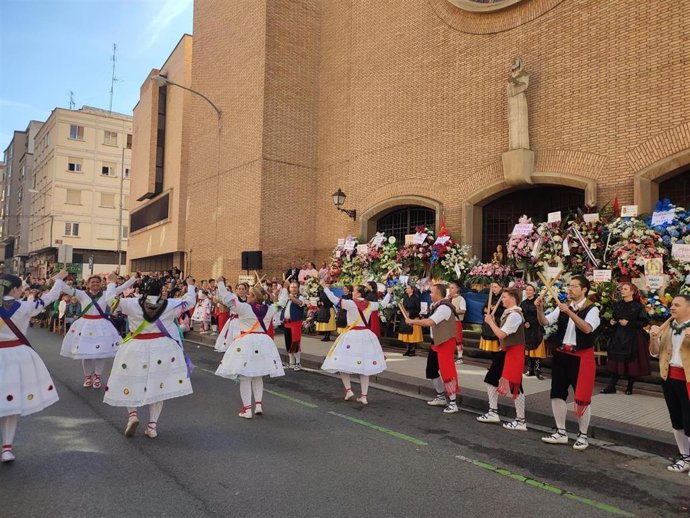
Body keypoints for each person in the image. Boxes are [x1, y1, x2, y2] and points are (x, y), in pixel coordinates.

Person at [104, 275, 196, 439]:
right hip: (161, 348)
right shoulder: (171, 304)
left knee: (129, 380)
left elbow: (110, 300)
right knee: (157, 385)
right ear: (161, 290)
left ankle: (132, 415)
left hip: (136, 346)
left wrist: (112, 283)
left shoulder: (131, 303)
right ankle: (152, 426)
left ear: (143, 290)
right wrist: (190, 286)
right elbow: (190, 302)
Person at [0, 270, 69, 462]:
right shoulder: (24, 306)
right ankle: (6, 448)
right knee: (10, 403)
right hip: (15, 357)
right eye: (20, 288)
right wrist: (59, 280)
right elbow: (50, 298)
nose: (21, 291)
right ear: (14, 289)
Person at [536, 275, 600, 451]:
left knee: (582, 398)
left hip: (580, 357)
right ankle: (561, 432)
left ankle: (583, 435)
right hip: (561, 354)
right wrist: (539, 309)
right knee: (557, 393)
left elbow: (587, 328)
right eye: (568, 286)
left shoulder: (592, 309)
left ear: (584, 289)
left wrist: (569, 312)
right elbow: (545, 321)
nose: (569, 289)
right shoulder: (564, 306)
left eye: (573, 286)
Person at [215, 281, 284, 419]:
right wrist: (284, 289)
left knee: (245, 377)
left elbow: (226, 297)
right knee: (258, 374)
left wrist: (220, 283)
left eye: (249, 294)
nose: (246, 295)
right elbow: (282, 302)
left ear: (253, 297)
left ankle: (247, 409)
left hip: (246, 342)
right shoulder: (270, 309)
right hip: (263, 342)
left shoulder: (244, 308)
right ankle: (258, 404)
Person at [60, 273, 137, 390]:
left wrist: (133, 278)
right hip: (85, 325)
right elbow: (66, 288)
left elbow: (122, 288)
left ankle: (97, 376)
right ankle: (87, 377)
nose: (95, 284)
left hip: (102, 325)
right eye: (92, 282)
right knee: (86, 353)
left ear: (101, 284)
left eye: (97, 282)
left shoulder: (106, 294)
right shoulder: (81, 294)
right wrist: (59, 279)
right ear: (88, 284)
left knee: (102, 353)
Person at [321, 281, 390, 405]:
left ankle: (348, 390)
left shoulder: (351, 303)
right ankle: (364, 396)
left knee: (342, 364)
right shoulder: (370, 304)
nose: (352, 292)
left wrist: (326, 288)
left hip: (351, 336)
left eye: (354, 291)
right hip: (366, 335)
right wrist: (389, 294)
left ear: (358, 293)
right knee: (365, 368)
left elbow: (334, 300)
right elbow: (383, 304)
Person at [649, 295, 690, 475]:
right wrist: (653, 338)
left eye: (676, 305)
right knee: (677, 420)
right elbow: (655, 353)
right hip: (669, 378)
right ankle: (685, 457)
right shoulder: (668, 327)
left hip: (688, 380)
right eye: (672, 304)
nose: (672, 308)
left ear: (688, 308)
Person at [478, 287, 528, 430]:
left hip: (514, 352)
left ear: (513, 298)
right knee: (491, 378)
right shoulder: (510, 313)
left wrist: (491, 322)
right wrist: (492, 321)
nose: (502, 299)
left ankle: (520, 420)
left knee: (515, 385)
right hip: (506, 351)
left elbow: (501, 335)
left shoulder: (515, 315)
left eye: (504, 297)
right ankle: (493, 411)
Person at [405, 284, 460, 414]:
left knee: (448, 372)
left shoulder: (444, 308)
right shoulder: (437, 306)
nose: (430, 294)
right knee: (431, 370)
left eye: (432, 292)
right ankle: (441, 396)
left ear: (438, 294)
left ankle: (453, 402)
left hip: (445, 343)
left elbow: (430, 322)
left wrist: (413, 321)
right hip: (436, 343)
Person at [601, 282, 650, 395]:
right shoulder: (618, 304)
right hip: (619, 336)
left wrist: (629, 323)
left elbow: (644, 322)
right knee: (617, 361)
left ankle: (630, 386)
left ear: (632, 292)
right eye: (621, 289)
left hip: (633, 337)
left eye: (625, 289)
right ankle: (611, 386)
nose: (622, 290)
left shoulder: (638, 306)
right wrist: (612, 321)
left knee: (632, 363)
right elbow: (615, 317)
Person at [279, 280, 305, 370]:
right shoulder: (286, 298)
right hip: (287, 323)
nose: (293, 289)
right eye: (291, 287)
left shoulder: (300, 297)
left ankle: (298, 363)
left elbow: (300, 303)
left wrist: (291, 297)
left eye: (295, 287)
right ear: (289, 289)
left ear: (298, 289)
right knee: (288, 343)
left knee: (295, 343)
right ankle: (291, 363)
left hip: (295, 324)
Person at [521, 283, 546, 379]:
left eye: (530, 290)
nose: (528, 291)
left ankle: (538, 370)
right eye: (526, 290)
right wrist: (525, 323)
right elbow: (521, 315)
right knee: (528, 350)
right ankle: (530, 369)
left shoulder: (538, 301)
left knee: (537, 349)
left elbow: (541, 314)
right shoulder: (523, 303)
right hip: (527, 328)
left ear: (534, 291)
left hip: (536, 327)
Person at [214, 283, 247, 353]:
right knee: (234, 336)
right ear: (237, 290)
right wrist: (221, 302)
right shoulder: (234, 298)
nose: (241, 291)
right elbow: (227, 307)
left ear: (246, 290)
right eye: (239, 289)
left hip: (245, 321)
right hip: (235, 321)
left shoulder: (249, 299)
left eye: (243, 289)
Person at [398, 284, 422, 356]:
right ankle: (408, 349)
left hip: (413, 317)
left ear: (412, 290)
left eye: (408, 288)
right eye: (406, 288)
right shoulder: (405, 298)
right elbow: (403, 307)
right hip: (406, 318)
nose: (407, 289)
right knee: (406, 334)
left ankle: (413, 350)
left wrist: (410, 313)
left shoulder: (416, 298)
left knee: (412, 335)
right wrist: (400, 311)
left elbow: (418, 309)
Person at [479, 283, 504, 353]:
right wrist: (486, 309)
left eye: (495, 287)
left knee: (497, 344)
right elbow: (484, 308)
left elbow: (504, 310)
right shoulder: (491, 296)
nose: (493, 289)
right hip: (488, 324)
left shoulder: (503, 297)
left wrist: (494, 309)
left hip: (498, 322)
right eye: (492, 287)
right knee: (491, 348)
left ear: (501, 287)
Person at [448, 282, 466, 364]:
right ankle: (450, 355)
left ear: (457, 289)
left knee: (458, 339)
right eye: (450, 288)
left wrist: (453, 311)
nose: (450, 289)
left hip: (456, 321)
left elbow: (463, 310)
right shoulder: (447, 299)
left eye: (452, 288)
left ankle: (460, 357)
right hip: (448, 322)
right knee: (449, 339)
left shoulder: (461, 299)